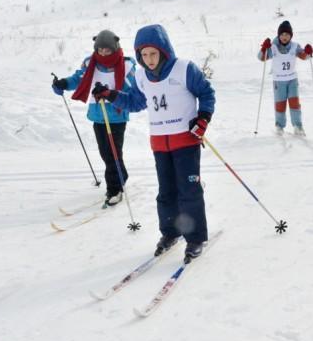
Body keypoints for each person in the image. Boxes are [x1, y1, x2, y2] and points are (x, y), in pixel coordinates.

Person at [92, 24, 216, 260]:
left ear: (163, 50)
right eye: (143, 55)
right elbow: (136, 102)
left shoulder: (184, 69)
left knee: (188, 192)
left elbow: (206, 93)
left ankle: (195, 238)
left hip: (186, 142)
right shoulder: (141, 76)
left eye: (153, 53)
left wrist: (203, 118)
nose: (148, 59)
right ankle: (170, 233)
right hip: (160, 144)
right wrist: (111, 95)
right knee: (166, 193)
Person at [52, 30, 136, 206]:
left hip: (117, 115)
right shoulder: (90, 63)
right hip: (98, 115)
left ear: (115, 48)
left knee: (113, 153)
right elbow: (78, 79)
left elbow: (131, 90)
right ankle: (122, 176)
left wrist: (110, 93)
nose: (103, 53)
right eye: (100, 50)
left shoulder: (126, 65)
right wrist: (63, 83)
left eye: (107, 50)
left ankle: (114, 189)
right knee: (106, 153)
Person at [258, 20, 313, 136]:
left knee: (294, 104)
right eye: (282, 34)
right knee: (280, 104)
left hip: (292, 80)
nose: (284, 37)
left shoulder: (294, 46)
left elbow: (304, 56)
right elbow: (261, 58)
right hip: (279, 81)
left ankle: (298, 126)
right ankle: (279, 126)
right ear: (278, 35)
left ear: (290, 36)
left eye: (287, 35)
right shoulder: (273, 48)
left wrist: (308, 52)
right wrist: (264, 48)